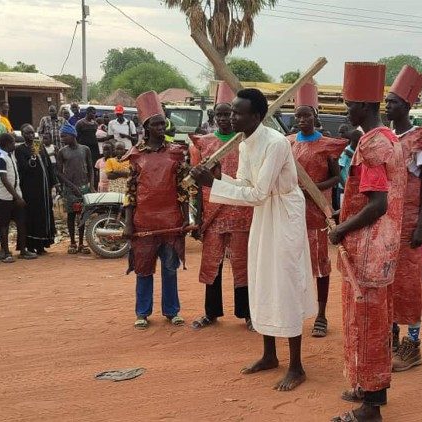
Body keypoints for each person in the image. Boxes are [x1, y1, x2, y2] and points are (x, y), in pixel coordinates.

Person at [189, 88, 316, 392]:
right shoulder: (246, 144)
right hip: (264, 214)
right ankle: (270, 355)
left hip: (284, 213)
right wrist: (219, 178)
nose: (231, 117)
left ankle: (296, 366)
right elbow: (247, 185)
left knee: (284, 282)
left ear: (257, 117)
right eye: (231, 111)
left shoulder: (274, 144)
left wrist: (213, 184)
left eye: (238, 113)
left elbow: (258, 193)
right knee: (262, 279)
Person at [328, 62, 405, 421]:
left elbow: (377, 204)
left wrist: (342, 229)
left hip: (368, 247)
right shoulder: (390, 139)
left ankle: (369, 407)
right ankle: (370, 389)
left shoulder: (373, 145)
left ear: (363, 105)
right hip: (383, 247)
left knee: (368, 323)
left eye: (349, 104)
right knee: (375, 319)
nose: (347, 110)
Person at [188, 82, 254, 332]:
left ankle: (247, 313)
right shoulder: (204, 143)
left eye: (229, 114)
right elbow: (195, 182)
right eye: (221, 114)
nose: (225, 118)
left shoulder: (246, 142)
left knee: (242, 263)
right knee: (211, 262)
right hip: (213, 212)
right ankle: (210, 312)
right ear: (214, 117)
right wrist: (198, 215)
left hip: (241, 211)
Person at [123, 91, 190, 330]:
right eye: (157, 123)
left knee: (170, 269)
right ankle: (142, 312)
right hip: (144, 222)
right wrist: (129, 223)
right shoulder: (136, 155)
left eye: (163, 122)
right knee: (143, 269)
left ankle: (172, 311)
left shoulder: (176, 152)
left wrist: (186, 218)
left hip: (171, 220)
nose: (162, 127)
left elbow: (183, 188)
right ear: (146, 127)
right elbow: (130, 192)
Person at [383, 65, 422, 371]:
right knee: (387, 278)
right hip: (387, 219)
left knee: (409, 282)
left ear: (407, 106)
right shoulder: (385, 136)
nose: (388, 107)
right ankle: (390, 336)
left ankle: (412, 344)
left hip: (410, 219)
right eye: (387, 102)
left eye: (393, 102)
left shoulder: (418, 138)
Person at [287, 82, 347, 338]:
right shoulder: (287, 144)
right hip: (292, 214)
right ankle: (295, 312)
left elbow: (338, 178)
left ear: (315, 117)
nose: (302, 120)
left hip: (317, 213)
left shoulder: (327, 145)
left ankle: (321, 315)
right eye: (298, 115)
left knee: (321, 266)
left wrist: (312, 188)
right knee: (293, 264)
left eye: (306, 115)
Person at [0, 133, 36, 263]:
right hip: (3, 197)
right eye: (13, 142)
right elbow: (4, 180)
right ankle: (6, 252)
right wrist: (17, 197)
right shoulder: (0, 157)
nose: (15, 145)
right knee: (4, 225)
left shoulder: (10, 155)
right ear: (7, 144)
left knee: (21, 222)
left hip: (15, 195)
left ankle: (23, 250)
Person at [14, 124, 55, 255]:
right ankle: (31, 246)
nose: (31, 135)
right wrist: (32, 157)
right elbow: (24, 168)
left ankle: (42, 246)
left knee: (44, 215)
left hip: (44, 188)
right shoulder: (20, 149)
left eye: (32, 133)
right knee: (32, 216)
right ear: (22, 134)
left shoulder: (38, 145)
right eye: (28, 133)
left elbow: (48, 165)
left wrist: (54, 183)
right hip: (31, 189)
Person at [56, 124, 93, 255]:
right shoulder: (62, 152)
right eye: (61, 136)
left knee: (82, 216)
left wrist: (91, 185)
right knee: (71, 216)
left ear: (73, 135)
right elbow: (59, 173)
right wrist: (71, 186)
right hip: (70, 189)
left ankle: (82, 243)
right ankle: (72, 242)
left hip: (84, 187)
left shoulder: (85, 149)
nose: (62, 139)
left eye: (64, 136)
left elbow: (90, 168)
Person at [76, 107, 100, 189]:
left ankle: (93, 186)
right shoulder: (80, 123)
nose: (94, 115)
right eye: (93, 113)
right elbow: (76, 137)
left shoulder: (95, 124)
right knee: (84, 167)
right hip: (83, 148)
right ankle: (84, 185)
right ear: (88, 113)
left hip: (94, 149)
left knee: (93, 167)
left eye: (95, 113)